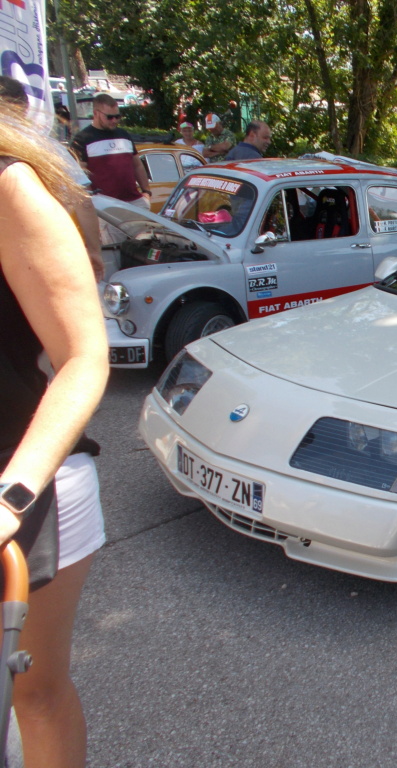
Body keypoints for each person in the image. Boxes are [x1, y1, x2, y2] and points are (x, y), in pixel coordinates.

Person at [0, 99, 109, 768]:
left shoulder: (8, 188)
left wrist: (11, 499)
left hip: (24, 477)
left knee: (31, 694)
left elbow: (82, 356)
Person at [0, 77, 103, 280]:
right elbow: (82, 202)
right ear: (24, 107)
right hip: (44, 255)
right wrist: (94, 252)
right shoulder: (48, 149)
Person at [71, 93, 151, 209]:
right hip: (105, 205)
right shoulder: (82, 139)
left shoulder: (124, 135)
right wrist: (91, 201)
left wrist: (146, 192)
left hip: (135, 201)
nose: (114, 120)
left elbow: (137, 165)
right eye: (109, 117)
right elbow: (79, 173)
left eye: (117, 116)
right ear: (96, 113)